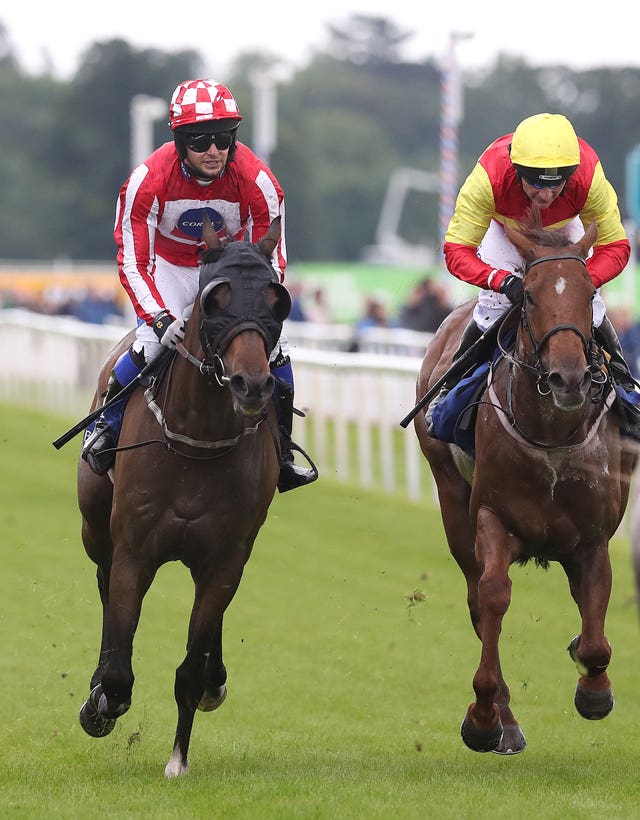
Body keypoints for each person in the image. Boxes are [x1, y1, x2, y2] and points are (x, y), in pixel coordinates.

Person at [81, 78, 317, 492]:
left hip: (231, 270)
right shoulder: (147, 181)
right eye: (200, 139)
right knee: (150, 345)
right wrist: (156, 318)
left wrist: (256, 312)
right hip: (170, 269)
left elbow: (273, 260)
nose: (213, 150)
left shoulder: (258, 180)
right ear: (179, 141)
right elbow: (133, 260)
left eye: (224, 138)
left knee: (272, 353)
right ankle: (106, 427)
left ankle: (282, 450)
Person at [426, 111, 639, 435]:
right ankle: (452, 387)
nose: (545, 195)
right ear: (517, 170)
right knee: (492, 307)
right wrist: (501, 280)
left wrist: (575, 286)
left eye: (556, 185)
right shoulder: (489, 176)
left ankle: (626, 388)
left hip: (566, 229)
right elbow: (456, 251)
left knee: (592, 310)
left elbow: (616, 246)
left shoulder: (588, 175)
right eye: (536, 184)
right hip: (506, 230)